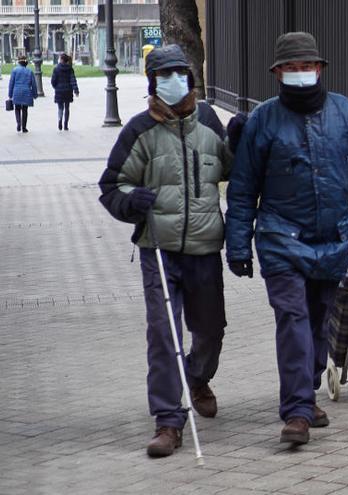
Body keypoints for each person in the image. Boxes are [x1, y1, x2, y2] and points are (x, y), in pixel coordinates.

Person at [225, 32, 348, 446]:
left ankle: (308, 393)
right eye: (291, 68)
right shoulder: (262, 122)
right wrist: (238, 245)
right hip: (280, 239)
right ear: (277, 74)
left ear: (320, 69)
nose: (300, 73)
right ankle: (298, 411)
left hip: (333, 240)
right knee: (293, 319)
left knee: (321, 320)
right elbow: (242, 188)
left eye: (306, 66)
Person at [97, 45, 234, 458]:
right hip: (159, 249)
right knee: (163, 332)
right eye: (164, 75)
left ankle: (197, 377)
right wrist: (130, 201)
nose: (174, 81)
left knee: (210, 329)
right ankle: (168, 420)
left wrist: (242, 141)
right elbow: (111, 186)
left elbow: (233, 169)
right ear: (153, 84)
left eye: (180, 73)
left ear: (190, 80)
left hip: (205, 247)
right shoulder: (138, 130)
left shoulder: (209, 121)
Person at [8, 55, 37, 133]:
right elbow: (33, 84)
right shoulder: (30, 71)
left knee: (17, 108)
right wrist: (35, 94)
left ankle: (18, 123)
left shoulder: (14, 70)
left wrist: (10, 94)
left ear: (19, 62)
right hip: (26, 92)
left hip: (17, 91)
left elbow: (11, 83)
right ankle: (24, 127)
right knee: (25, 109)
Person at [50, 53, 79, 131]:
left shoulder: (56, 69)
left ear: (61, 59)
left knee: (60, 107)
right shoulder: (70, 69)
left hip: (59, 90)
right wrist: (76, 90)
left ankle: (60, 120)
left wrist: (55, 86)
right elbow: (73, 80)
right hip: (68, 91)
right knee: (67, 108)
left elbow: (53, 80)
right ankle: (65, 124)